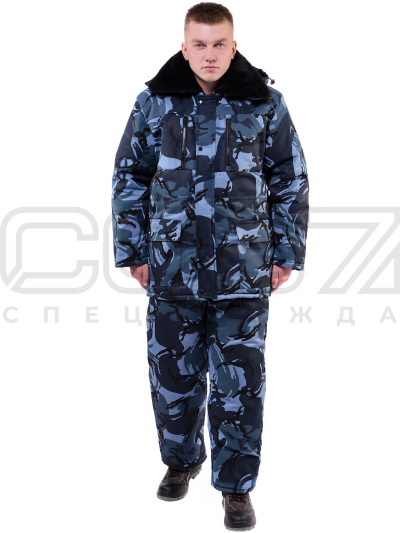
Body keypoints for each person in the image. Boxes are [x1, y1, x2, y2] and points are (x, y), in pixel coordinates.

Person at [111, 2, 309, 530]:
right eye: (199, 44)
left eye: (219, 44)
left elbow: (290, 179)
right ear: (184, 47)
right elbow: (129, 176)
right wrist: (134, 251)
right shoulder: (154, 103)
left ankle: (236, 488)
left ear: (234, 46)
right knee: (172, 377)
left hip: (244, 269)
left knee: (239, 385)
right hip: (171, 267)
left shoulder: (264, 102)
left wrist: (286, 253)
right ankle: (181, 461)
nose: (209, 54)